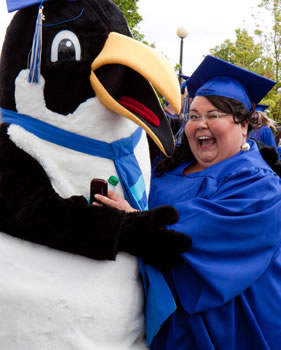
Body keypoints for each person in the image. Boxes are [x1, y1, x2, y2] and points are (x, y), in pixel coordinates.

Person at [94, 55, 281, 350]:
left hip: (228, 329)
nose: (200, 124)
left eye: (213, 115)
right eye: (193, 116)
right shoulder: (170, 167)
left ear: (244, 125)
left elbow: (199, 235)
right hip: (157, 324)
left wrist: (131, 222)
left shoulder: (260, 185)